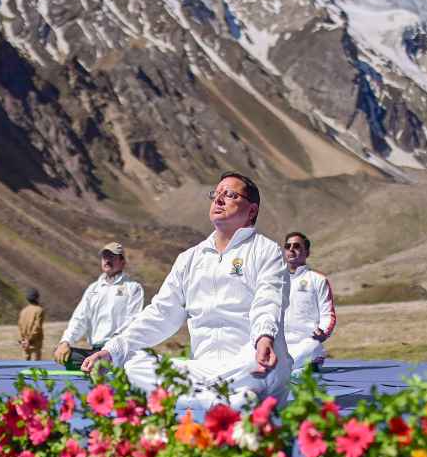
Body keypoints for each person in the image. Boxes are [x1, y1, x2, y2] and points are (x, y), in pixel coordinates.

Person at [82, 172, 292, 407]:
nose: (219, 199)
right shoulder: (189, 259)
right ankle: (226, 401)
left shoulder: (266, 251)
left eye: (230, 195)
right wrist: (113, 350)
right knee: (133, 363)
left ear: (252, 211)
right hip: (204, 367)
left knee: (255, 364)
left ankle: (202, 396)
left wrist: (264, 337)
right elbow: (161, 313)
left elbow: (269, 298)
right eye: (216, 194)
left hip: (250, 360)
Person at [53, 242, 144, 371]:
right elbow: (80, 318)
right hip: (95, 352)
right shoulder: (93, 289)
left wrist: (112, 345)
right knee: (64, 354)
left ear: (123, 261)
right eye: (105, 257)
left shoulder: (133, 288)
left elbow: (132, 320)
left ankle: (104, 365)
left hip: (118, 351)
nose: (107, 260)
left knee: (129, 362)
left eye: (112, 256)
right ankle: (94, 365)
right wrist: (66, 341)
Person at [282, 232, 336, 374]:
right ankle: (299, 370)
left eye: (297, 246)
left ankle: (301, 366)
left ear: (307, 252)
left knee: (307, 351)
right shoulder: (274, 280)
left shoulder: (318, 280)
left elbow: (328, 314)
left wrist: (323, 332)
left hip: (306, 342)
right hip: (279, 343)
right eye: (288, 246)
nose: (291, 249)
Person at [18, 288, 45, 361]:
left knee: (24, 369)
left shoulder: (23, 311)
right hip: (34, 344)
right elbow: (37, 327)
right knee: (35, 369)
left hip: (24, 345)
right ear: (37, 298)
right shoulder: (39, 310)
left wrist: (23, 340)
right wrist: (29, 340)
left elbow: (20, 327)